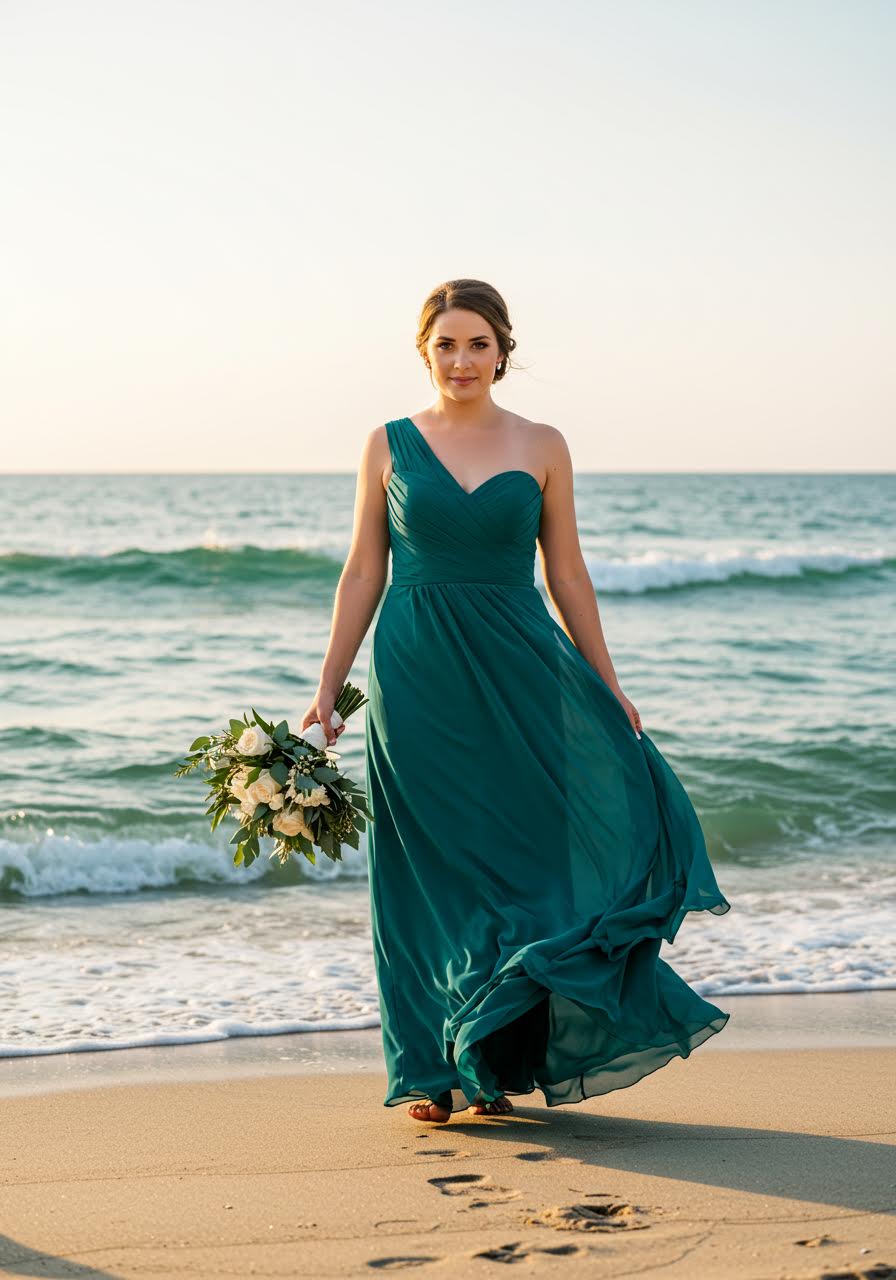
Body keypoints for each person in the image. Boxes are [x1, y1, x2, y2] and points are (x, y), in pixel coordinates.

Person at [301, 278, 731, 1124]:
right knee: (426, 875)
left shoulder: (543, 444)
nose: (461, 361)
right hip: (416, 675)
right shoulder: (388, 444)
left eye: (478, 344)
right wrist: (326, 687)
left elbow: (565, 571)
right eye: (446, 345)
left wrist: (607, 684)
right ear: (423, 351)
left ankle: (493, 1051)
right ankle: (431, 1068)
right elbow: (364, 570)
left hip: (522, 667)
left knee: (526, 863)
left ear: (503, 350)